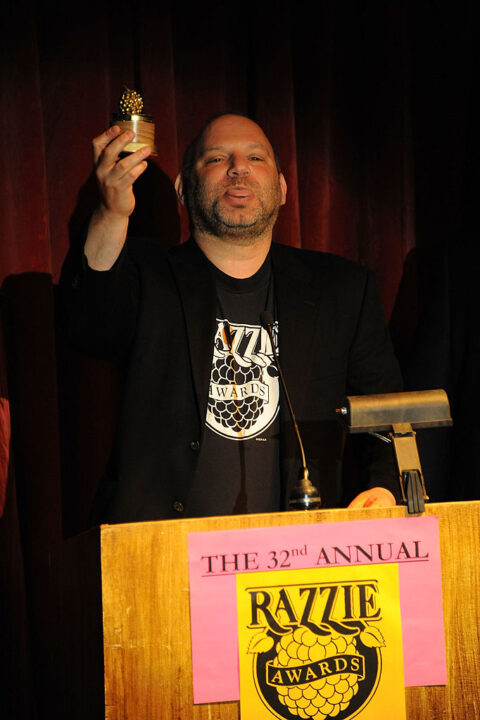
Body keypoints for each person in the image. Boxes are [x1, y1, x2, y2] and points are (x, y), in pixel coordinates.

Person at [62, 113, 402, 525]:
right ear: (183, 189)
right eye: (217, 159)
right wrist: (111, 215)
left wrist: (384, 489)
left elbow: (390, 416)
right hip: (159, 556)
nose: (239, 167)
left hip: (297, 562)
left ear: (281, 189)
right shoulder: (146, 274)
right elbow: (87, 324)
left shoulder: (342, 290)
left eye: (256, 158)